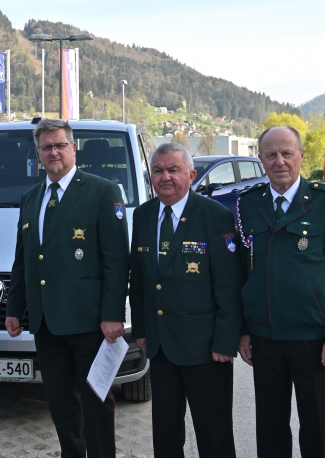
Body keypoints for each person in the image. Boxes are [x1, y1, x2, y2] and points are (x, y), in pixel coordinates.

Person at [5, 118, 130, 458]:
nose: (54, 152)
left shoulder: (103, 191)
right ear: (38, 154)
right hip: (46, 322)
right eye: (46, 147)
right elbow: (24, 259)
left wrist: (112, 314)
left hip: (89, 321)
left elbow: (116, 261)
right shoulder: (31, 198)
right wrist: (14, 308)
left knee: (96, 401)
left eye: (60, 145)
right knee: (60, 404)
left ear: (73, 148)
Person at [237, 125, 325, 458]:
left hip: (315, 340)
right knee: (271, 430)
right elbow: (240, 275)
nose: (280, 161)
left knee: (318, 430)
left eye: (287, 153)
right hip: (265, 339)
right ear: (260, 159)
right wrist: (243, 330)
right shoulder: (247, 206)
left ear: (301, 155)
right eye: (271, 154)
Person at [129, 142, 243, 458]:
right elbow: (138, 281)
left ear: (191, 175)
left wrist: (225, 341)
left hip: (206, 349)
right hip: (161, 344)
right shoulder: (143, 215)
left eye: (173, 170)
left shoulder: (215, 216)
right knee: (165, 434)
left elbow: (228, 286)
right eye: (158, 170)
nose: (165, 177)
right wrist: (141, 330)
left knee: (214, 434)